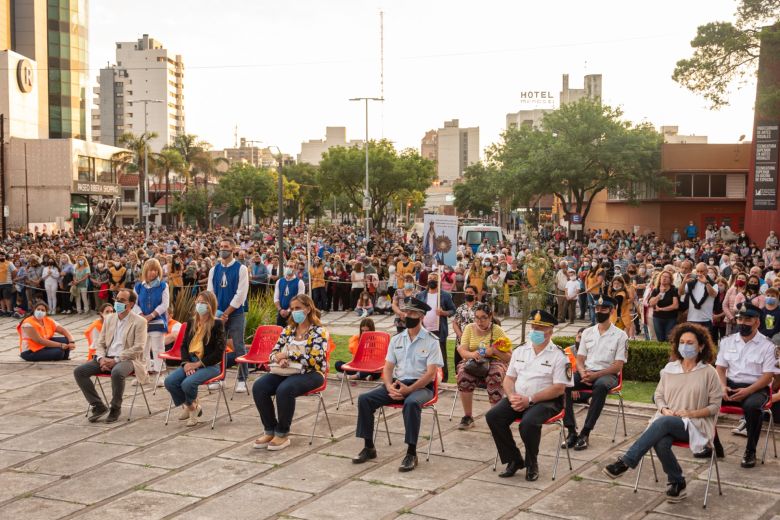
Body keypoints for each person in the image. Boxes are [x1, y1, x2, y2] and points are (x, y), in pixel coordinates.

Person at [603, 323, 721, 503]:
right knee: (660, 441)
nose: (685, 346)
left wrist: (690, 413)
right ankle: (677, 481)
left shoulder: (709, 372)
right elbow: (658, 396)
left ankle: (626, 461)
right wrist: (665, 409)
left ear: (701, 346)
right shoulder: (669, 369)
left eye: (690, 342)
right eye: (682, 342)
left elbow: (714, 406)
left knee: (663, 423)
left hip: (696, 424)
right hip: (667, 420)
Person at [352, 298, 443, 472]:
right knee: (365, 399)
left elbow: (431, 373)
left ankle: (411, 453)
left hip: (422, 387)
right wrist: (388, 386)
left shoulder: (431, 341)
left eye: (412, 313)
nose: (407, 316)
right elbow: (387, 369)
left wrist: (410, 389)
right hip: (397, 385)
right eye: (406, 312)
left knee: (410, 403)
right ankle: (369, 447)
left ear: (421, 317)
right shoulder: (397, 339)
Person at [486, 309, 572, 481]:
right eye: (533, 326)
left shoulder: (559, 356)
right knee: (493, 416)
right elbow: (509, 379)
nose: (535, 330)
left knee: (528, 423)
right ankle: (514, 459)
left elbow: (559, 388)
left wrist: (530, 400)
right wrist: (511, 396)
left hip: (546, 401)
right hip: (518, 398)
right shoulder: (521, 350)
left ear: (550, 331)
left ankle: (532, 463)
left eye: (540, 327)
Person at [252, 294, 330, 451]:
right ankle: (270, 430)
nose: (294, 312)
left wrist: (288, 354)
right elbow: (273, 353)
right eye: (292, 309)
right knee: (259, 386)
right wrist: (279, 359)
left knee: (285, 390)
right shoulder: (288, 330)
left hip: (312, 373)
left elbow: (314, 359)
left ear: (308, 309)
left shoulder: (319, 331)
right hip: (286, 370)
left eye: (298, 308)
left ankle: (282, 433)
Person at [715, 302, 777, 468]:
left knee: (752, 407)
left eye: (747, 319)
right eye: (740, 319)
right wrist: (722, 386)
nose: (742, 323)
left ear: (757, 321)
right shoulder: (727, 341)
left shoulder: (768, 346)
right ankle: (713, 445)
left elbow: (768, 376)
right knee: (703, 398)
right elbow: (720, 368)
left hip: (756, 388)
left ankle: (750, 451)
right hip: (729, 385)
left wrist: (747, 391)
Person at [562, 296, 628, 451]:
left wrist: (595, 375)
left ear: (612, 311)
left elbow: (617, 366)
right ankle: (571, 431)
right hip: (586, 371)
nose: (599, 311)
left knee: (600, 386)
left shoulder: (621, 335)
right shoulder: (587, 332)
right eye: (597, 309)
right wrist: (583, 371)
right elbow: (580, 359)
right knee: (564, 384)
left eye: (603, 309)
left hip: (607, 374)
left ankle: (585, 433)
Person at [73, 288, 148, 423]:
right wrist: (101, 359)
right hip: (106, 357)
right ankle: (98, 406)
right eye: (117, 299)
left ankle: (115, 408)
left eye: (122, 300)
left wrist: (116, 360)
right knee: (79, 372)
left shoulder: (140, 321)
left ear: (131, 304)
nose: (118, 302)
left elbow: (139, 347)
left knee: (117, 372)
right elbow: (100, 343)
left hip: (128, 359)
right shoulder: (109, 319)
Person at [164, 291, 226, 426]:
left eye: (203, 303)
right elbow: (184, 346)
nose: (200, 305)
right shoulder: (192, 322)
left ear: (211, 305)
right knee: (170, 381)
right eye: (198, 302)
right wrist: (186, 363)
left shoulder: (217, 324)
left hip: (209, 365)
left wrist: (197, 365)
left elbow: (219, 352)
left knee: (187, 384)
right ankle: (193, 407)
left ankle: (191, 411)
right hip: (190, 361)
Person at [455, 302, 512, 429]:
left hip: (494, 361)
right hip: (474, 361)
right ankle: (468, 417)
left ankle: (495, 418)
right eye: (477, 317)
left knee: (495, 374)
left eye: (483, 318)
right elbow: (462, 350)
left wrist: (495, 351)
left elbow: (509, 357)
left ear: (490, 317)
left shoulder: (497, 330)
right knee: (463, 373)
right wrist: (472, 354)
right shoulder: (470, 328)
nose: (479, 321)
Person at [208, 237, 250, 394]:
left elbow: (241, 294)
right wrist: (216, 313)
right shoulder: (214, 270)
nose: (222, 249)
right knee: (218, 346)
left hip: (236, 313)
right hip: (218, 314)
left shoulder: (241, 269)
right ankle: (220, 377)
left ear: (233, 249)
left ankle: (242, 379)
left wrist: (227, 312)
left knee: (238, 345)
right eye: (221, 246)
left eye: (226, 246)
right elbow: (210, 292)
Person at [134, 258, 169, 386]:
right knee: (143, 349)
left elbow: (165, 304)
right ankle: (143, 374)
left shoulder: (163, 286)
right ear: (145, 271)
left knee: (158, 349)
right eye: (150, 270)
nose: (152, 273)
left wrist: (152, 315)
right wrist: (141, 315)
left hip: (157, 321)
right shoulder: (138, 286)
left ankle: (160, 375)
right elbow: (134, 303)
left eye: (155, 270)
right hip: (142, 322)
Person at [415, 271, 456, 381]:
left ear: (438, 281)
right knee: (423, 355)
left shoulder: (445, 296)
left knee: (441, 357)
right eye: (430, 278)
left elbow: (453, 310)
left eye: (434, 278)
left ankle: (444, 379)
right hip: (423, 330)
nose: (432, 280)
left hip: (439, 331)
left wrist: (444, 313)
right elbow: (415, 310)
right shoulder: (420, 295)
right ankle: (426, 378)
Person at [648, 271, 679, 342]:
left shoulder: (673, 290)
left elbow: (675, 306)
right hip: (657, 318)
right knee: (660, 339)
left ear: (670, 279)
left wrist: (661, 309)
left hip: (671, 318)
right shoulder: (656, 290)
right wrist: (660, 293)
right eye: (662, 276)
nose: (664, 278)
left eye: (666, 277)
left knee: (668, 338)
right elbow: (651, 303)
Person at [274, 260, 305, 326]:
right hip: (281, 313)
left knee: (293, 333)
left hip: (294, 313)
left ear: (295, 269)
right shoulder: (279, 281)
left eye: (291, 266)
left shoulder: (299, 282)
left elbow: (299, 299)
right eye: (287, 266)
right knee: (281, 333)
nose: (288, 268)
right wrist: (280, 310)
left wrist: (288, 311)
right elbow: (276, 298)